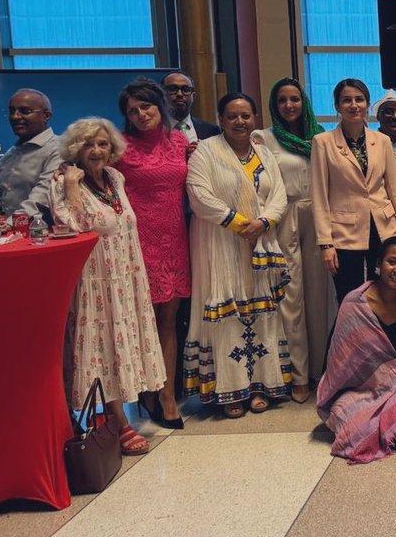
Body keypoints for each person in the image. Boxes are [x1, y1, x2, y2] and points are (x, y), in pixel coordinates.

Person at [49, 118, 165, 456]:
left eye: (102, 144)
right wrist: (72, 186)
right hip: (93, 279)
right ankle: (117, 420)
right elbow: (73, 225)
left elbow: (123, 222)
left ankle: (115, 416)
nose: (96, 151)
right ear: (76, 149)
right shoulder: (62, 182)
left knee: (121, 343)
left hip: (126, 273)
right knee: (100, 345)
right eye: (88, 145)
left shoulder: (115, 178)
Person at [184, 92, 292, 417]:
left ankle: (260, 383)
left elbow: (280, 195)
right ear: (220, 119)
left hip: (258, 243)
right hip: (220, 242)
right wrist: (238, 222)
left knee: (261, 312)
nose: (240, 121)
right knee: (227, 310)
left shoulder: (263, 153)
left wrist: (263, 222)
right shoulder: (206, 150)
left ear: (254, 119)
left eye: (246, 115)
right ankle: (230, 390)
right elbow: (198, 193)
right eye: (232, 115)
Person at [114, 77, 190, 429]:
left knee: (169, 321)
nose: (141, 114)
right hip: (138, 244)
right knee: (142, 322)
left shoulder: (179, 142)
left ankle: (167, 394)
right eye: (133, 111)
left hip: (175, 239)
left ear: (159, 106)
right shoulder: (120, 147)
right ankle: (145, 388)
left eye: (146, 106)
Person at [253, 77, 334, 400]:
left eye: (295, 99)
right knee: (290, 296)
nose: (289, 105)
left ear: (305, 103)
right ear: (275, 104)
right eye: (283, 100)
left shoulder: (321, 138)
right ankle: (296, 374)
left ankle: (321, 370)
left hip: (318, 216)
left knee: (321, 297)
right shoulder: (265, 139)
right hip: (282, 217)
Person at [311, 78, 396, 304]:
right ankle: (350, 338)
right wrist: (325, 243)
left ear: (368, 104)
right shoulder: (322, 142)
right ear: (337, 106)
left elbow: (394, 189)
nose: (353, 105)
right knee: (349, 295)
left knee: (385, 291)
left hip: (383, 225)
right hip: (344, 231)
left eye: (359, 99)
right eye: (346, 100)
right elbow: (319, 196)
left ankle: (382, 337)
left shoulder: (382, 141)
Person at [317, 236, 396, 463]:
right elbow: (340, 359)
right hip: (357, 387)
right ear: (378, 264)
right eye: (392, 261)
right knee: (350, 418)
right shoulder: (355, 302)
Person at [0, 88, 61, 222]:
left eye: (25, 111)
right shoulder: (9, 155)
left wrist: (10, 224)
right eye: (12, 111)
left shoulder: (59, 148)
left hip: (44, 236)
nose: (15, 116)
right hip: (10, 235)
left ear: (46, 116)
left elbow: (43, 195)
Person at [162, 71, 221, 149]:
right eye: (172, 89)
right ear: (162, 94)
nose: (179, 94)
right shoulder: (152, 130)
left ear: (193, 96)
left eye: (185, 90)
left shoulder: (212, 130)